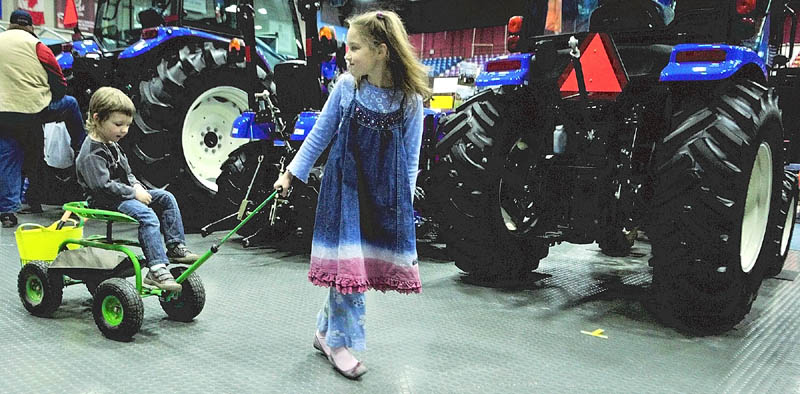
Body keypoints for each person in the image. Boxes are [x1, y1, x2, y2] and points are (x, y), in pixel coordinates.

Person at [273, 10, 430, 379]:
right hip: (344, 193)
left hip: (380, 197)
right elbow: (319, 135)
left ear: (381, 51)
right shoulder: (347, 87)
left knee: (354, 270)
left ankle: (325, 332)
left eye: (355, 48)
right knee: (348, 268)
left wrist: (401, 205)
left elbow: (410, 159)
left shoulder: (409, 100)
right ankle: (339, 343)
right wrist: (290, 174)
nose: (348, 55)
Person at [75, 87, 199, 292]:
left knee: (166, 197)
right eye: (118, 124)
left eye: (127, 125)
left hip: (122, 195)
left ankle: (175, 245)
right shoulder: (91, 153)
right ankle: (156, 268)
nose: (124, 130)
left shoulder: (111, 143)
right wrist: (134, 193)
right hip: (104, 199)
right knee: (148, 216)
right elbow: (102, 186)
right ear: (97, 119)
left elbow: (127, 171)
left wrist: (136, 185)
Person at [0, 9, 88, 224]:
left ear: (11, 25)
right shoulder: (37, 45)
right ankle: (82, 146)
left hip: (3, 114)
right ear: (30, 26)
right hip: (34, 109)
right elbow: (60, 80)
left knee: (10, 157)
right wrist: (52, 97)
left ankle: (8, 212)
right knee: (71, 104)